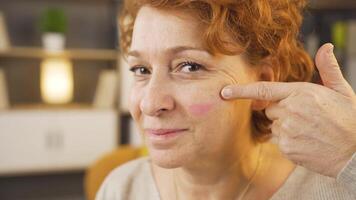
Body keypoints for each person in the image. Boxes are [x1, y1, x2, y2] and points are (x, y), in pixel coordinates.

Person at [97, 0, 356, 199]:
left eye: (189, 66)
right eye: (141, 70)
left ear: (263, 79)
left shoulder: (335, 189)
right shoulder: (121, 189)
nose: (150, 104)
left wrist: (350, 155)